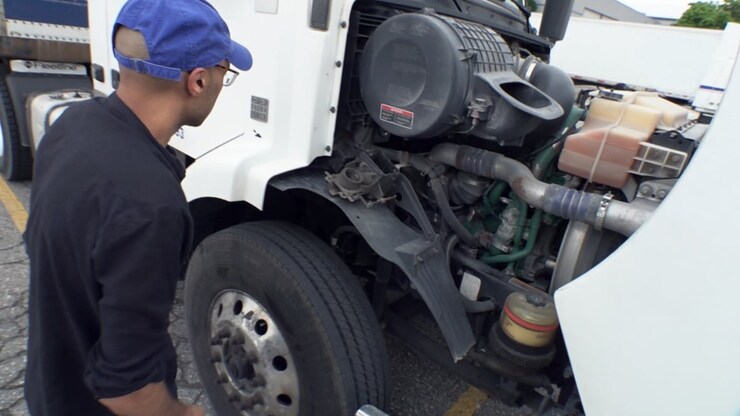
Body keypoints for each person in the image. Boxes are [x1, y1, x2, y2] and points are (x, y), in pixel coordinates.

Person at [23, 0, 252, 414]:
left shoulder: (72, 125)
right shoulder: (150, 206)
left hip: (48, 384)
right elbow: (125, 388)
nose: (223, 81)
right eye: (225, 72)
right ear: (198, 81)